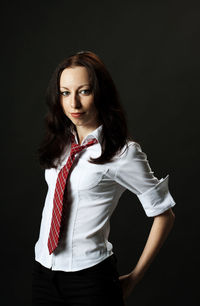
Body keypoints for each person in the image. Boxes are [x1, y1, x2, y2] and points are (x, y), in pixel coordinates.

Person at [32, 50, 176, 306]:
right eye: (65, 92)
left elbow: (164, 214)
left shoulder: (123, 153)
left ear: (101, 94)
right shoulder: (60, 143)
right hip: (44, 274)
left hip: (90, 282)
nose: (73, 103)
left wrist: (134, 278)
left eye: (84, 91)